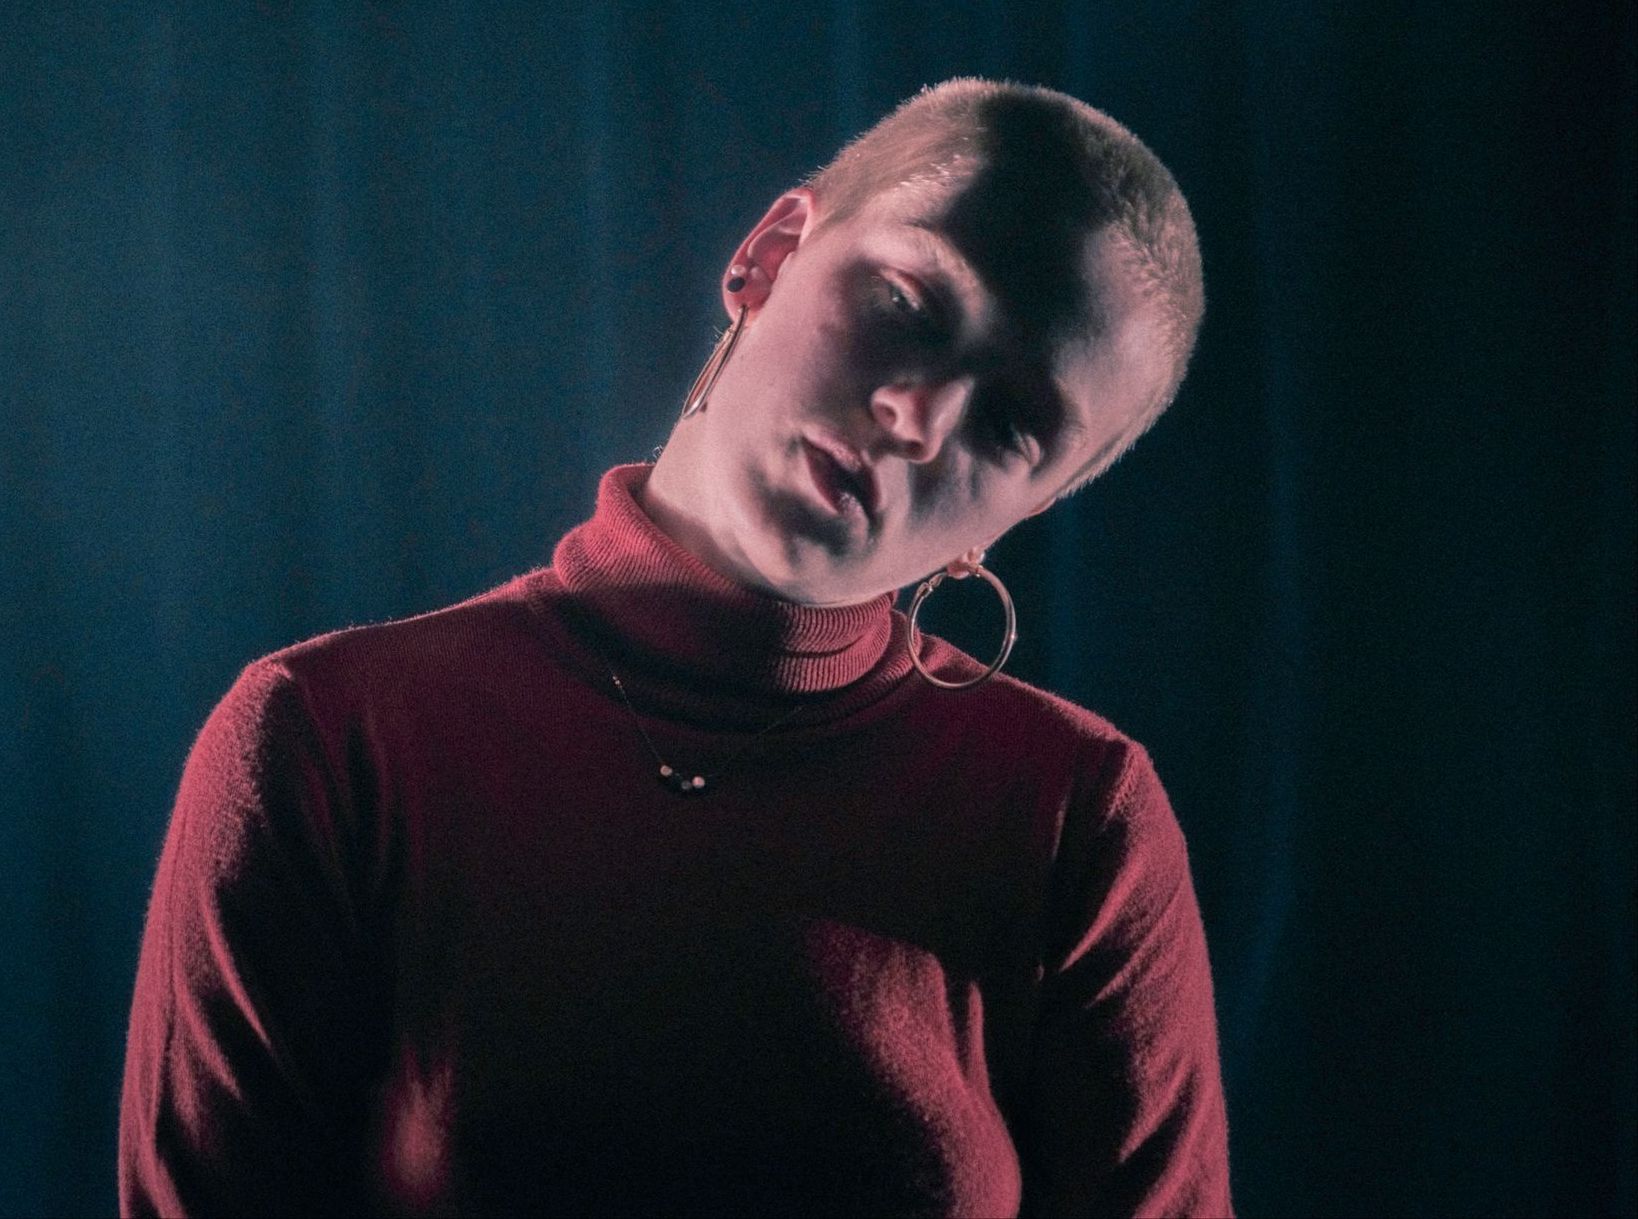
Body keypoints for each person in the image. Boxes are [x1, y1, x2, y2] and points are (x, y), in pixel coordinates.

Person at [119, 77, 1230, 1217]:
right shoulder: (331, 736)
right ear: (769, 254)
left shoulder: (1075, 813)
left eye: (1008, 423)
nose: (918, 414)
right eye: (908, 300)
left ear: (1023, 512)